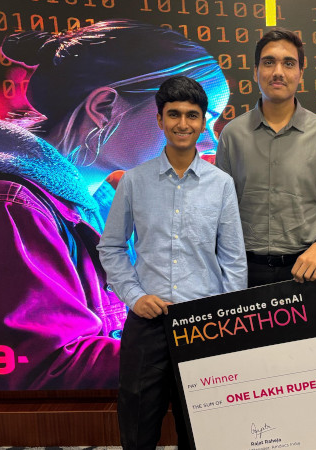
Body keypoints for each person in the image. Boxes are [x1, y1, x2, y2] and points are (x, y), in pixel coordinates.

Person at [0, 19, 230, 390]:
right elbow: (47, 368)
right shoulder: (7, 209)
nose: (209, 143)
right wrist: (217, 355)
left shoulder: (100, 202)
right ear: (104, 106)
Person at [97, 76, 247, 450]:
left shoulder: (221, 184)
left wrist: (228, 320)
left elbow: (233, 259)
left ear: (202, 122)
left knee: (203, 435)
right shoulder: (134, 181)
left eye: (192, 115)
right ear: (160, 120)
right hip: (148, 322)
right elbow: (111, 247)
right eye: (174, 114)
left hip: (204, 325)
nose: (183, 123)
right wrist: (134, 297)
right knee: (138, 432)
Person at [215, 28, 316, 287]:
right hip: (244, 273)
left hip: (307, 270)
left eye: (288, 63)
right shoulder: (232, 135)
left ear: (301, 73)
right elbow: (220, 212)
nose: (278, 72)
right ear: (255, 72)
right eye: (269, 62)